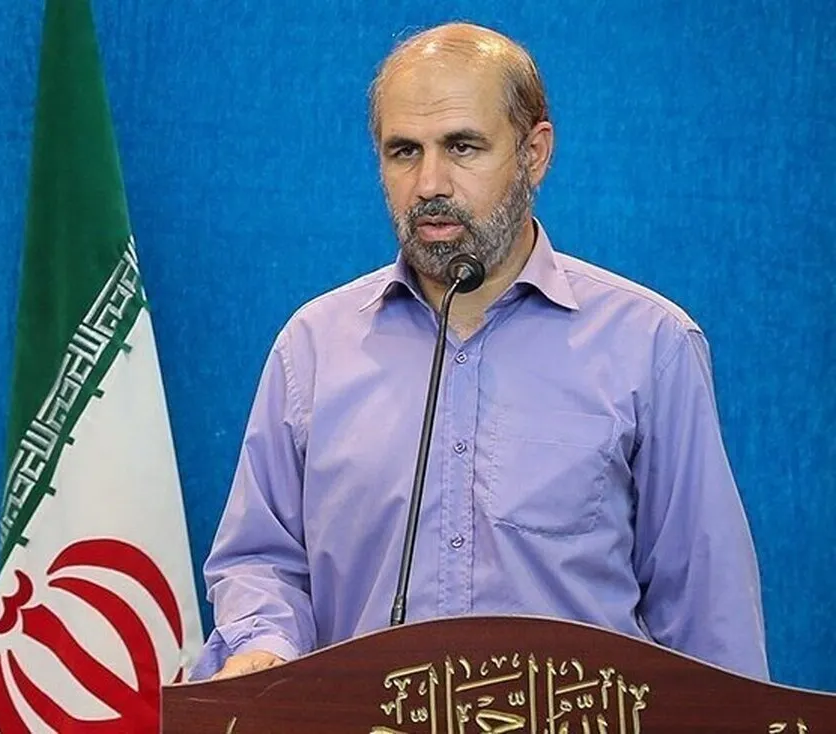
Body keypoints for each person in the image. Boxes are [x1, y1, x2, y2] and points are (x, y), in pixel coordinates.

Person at [191, 22, 769, 682]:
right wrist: (264, 647)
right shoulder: (314, 347)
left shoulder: (649, 345)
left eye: (462, 146)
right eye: (404, 152)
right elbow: (262, 560)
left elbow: (706, 611)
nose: (429, 183)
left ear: (534, 153)